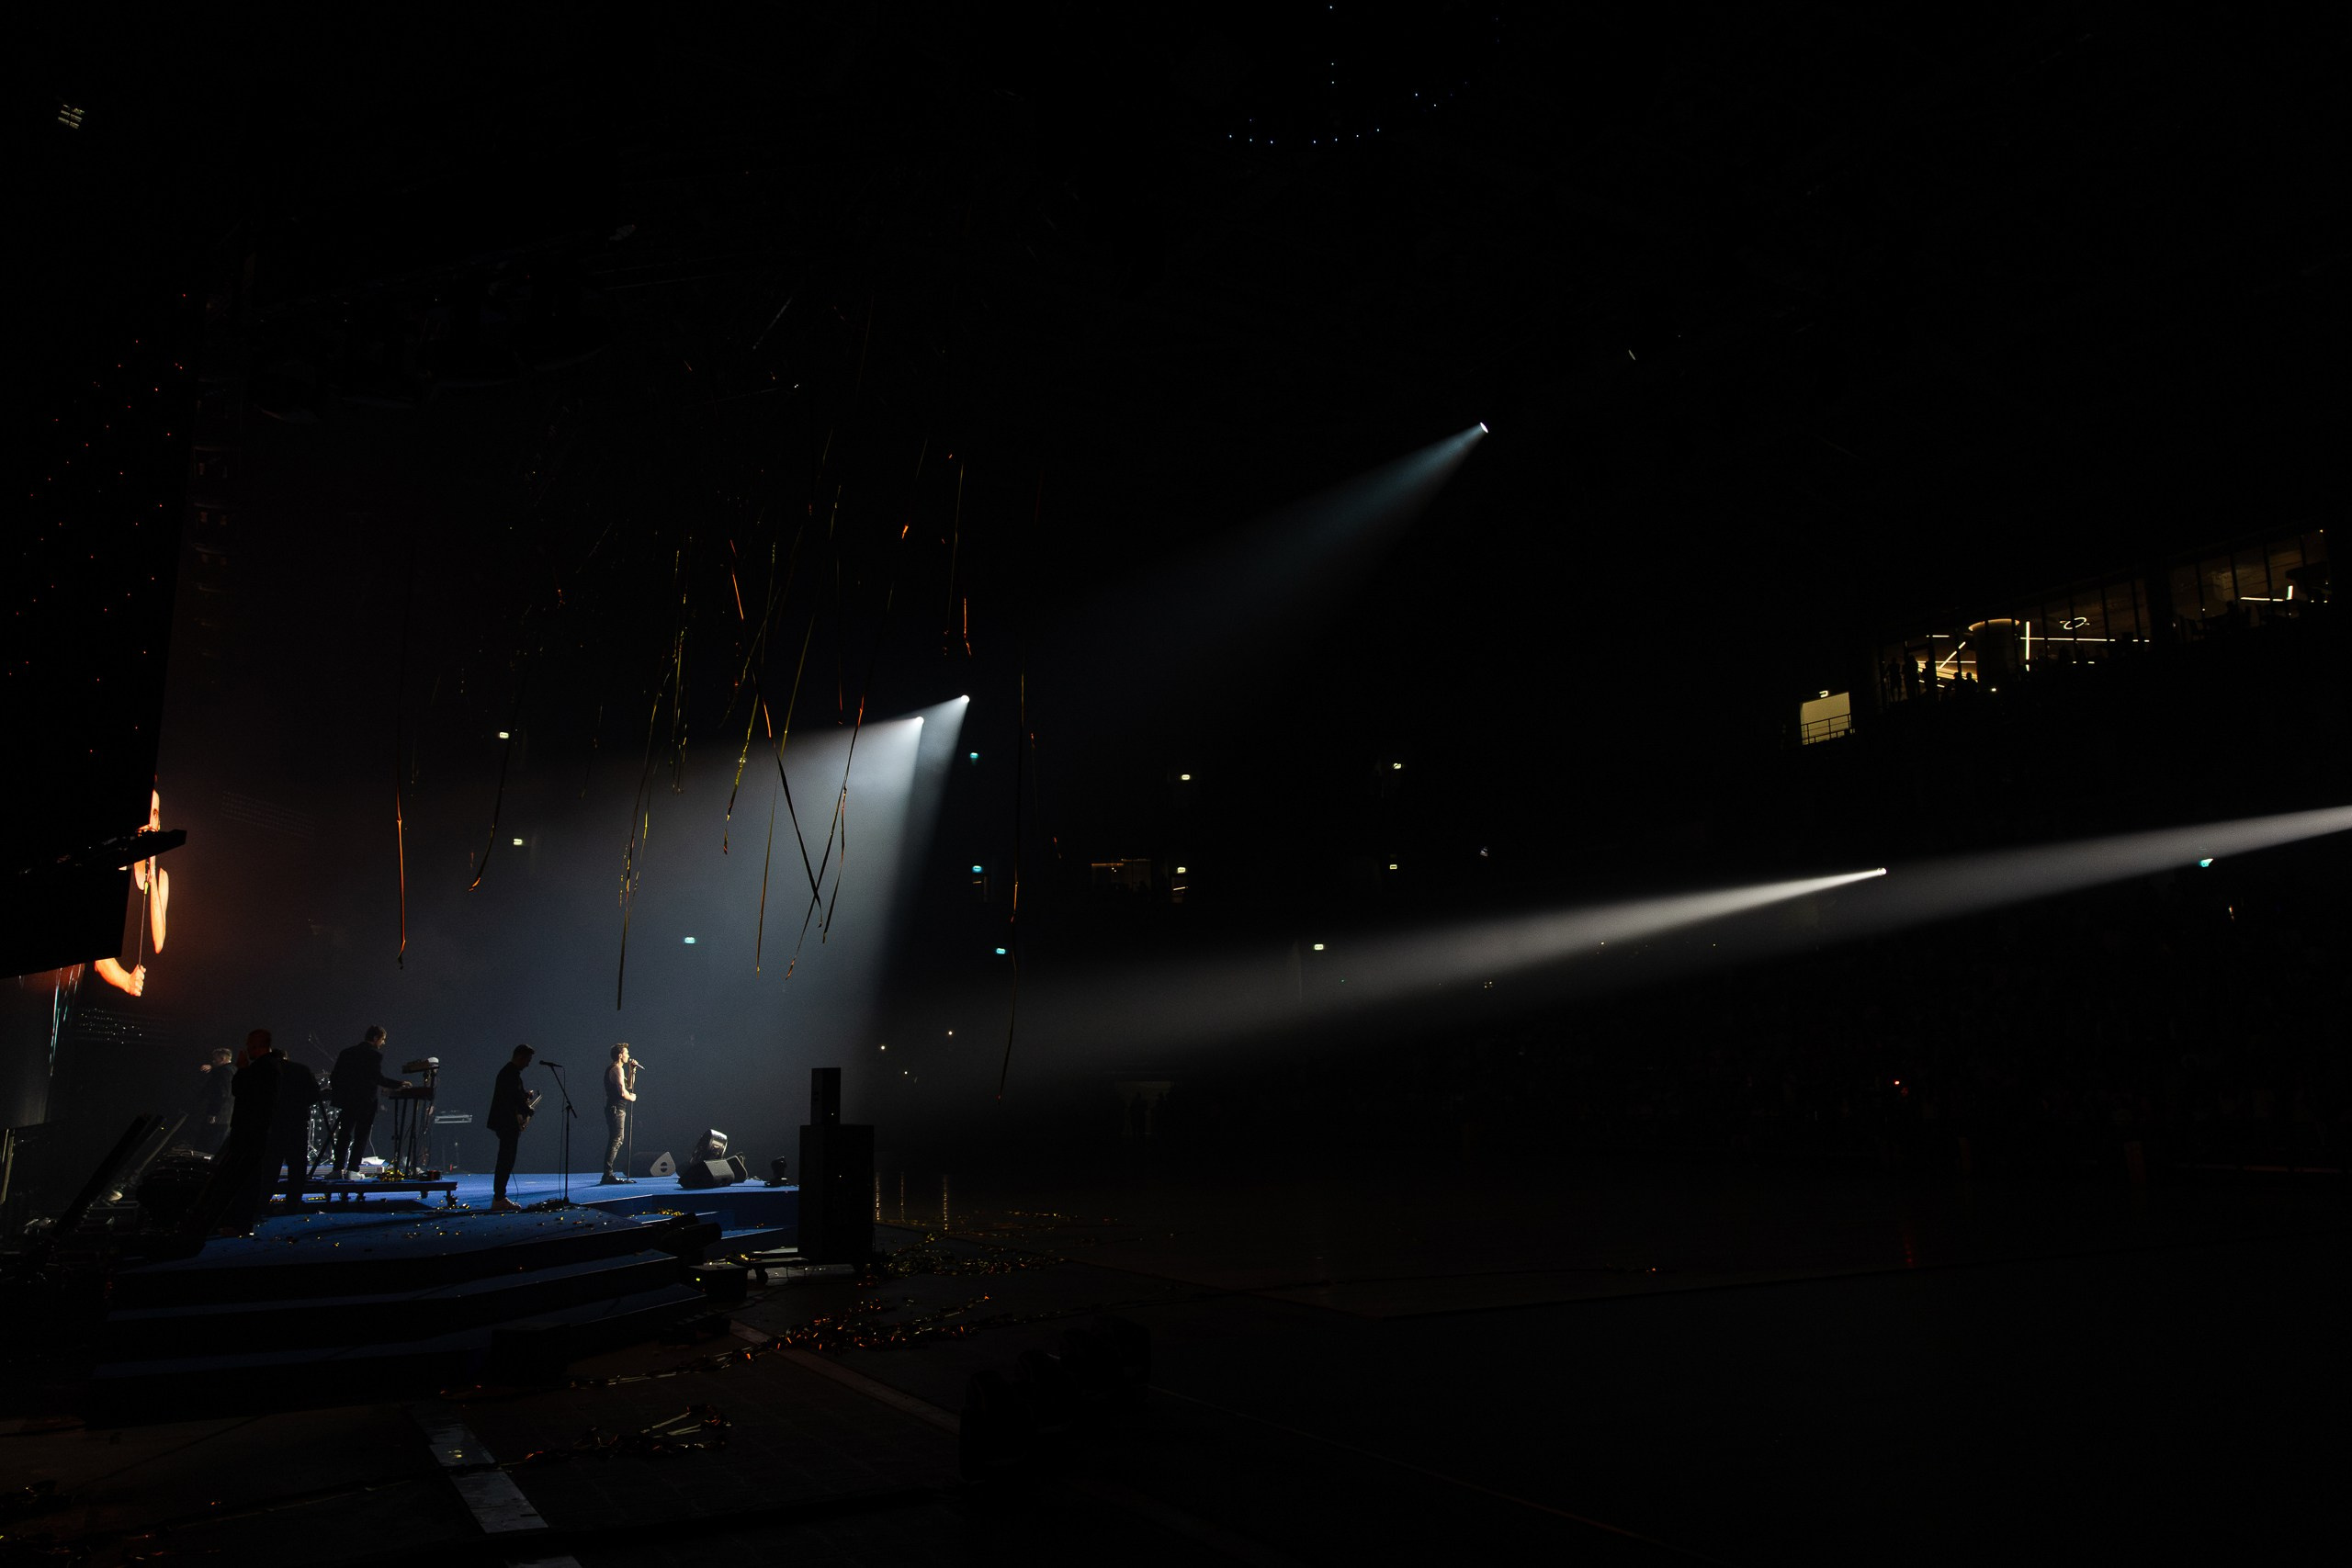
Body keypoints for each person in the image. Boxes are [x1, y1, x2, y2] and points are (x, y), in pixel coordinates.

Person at [186, 1031, 281, 1237]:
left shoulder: (261, 1068)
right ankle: (241, 1221)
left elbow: (238, 1090)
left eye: (249, 1044)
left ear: (257, 1045)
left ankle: (240, 1222)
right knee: (249, 1175)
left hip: (251, 1128)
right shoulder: (271, 1066)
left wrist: (243, 1069)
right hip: (254, 1127)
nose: (246, 1048)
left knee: (245, 1176)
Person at [328, 1026, 410, 1178]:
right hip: (366, 1101)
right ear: (375, 1038)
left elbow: (335, 1077)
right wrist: (398, 1084)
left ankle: (337, 1169)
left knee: (344, 1134)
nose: (383, 1043)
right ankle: (353, 1170)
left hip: (347, 1100)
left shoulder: (346, 1053)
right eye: (382, 1039)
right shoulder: (374, 1055)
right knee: (361, 1136)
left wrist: (341, 1093)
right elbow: (377, 1078)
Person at [487, 1044, 538, 1213]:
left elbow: (513, 1094)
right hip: (507, 1122)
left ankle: (500, 1197)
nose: (528, 1064)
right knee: (506, 1160)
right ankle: (499, 1198)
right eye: (527, 1060)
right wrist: (527, 1109)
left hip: (505, 1122)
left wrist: (525, 1095)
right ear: (520, 1057)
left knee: (506, 1159)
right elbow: (512, 1098)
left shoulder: (509, 1073)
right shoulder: (511, 1073)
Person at [600, 1043, 639, 1185]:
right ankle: (607, 1174)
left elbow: (629, 1086)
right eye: (626, 1052)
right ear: (620, 1055)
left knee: (616, 1139)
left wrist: (632, 1070)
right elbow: (624, 1092)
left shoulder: (620, 1069)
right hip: (616, 1108)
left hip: (617, 1108)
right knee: (616, 1140)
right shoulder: (616, 1069)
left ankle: (607, 1173)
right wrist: (632, 1097)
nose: (628, 1055)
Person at [193, 1046, 234, 1155]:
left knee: (207, 1144)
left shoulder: (224, 1072)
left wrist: (213, 1112)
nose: (213, 1061)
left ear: (222, 1059)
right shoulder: (234, 1070)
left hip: (219, 1116)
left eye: (215, 1059)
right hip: (226, 1116)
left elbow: (222, 1093)